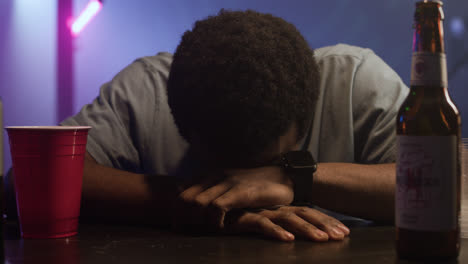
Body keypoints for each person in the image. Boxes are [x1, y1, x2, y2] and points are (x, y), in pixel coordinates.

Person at [59, 9, 408, 242]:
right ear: (181, 123)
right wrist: (196, 206)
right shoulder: (148, 88)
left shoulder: (355, 79)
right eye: (224, 171)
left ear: (306, 116)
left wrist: (294, 177)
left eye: (267, 163)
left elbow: (448, 183)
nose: (245, 191)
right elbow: (34, 181)